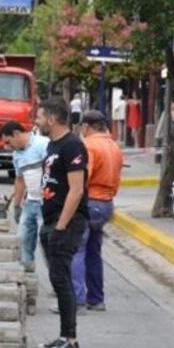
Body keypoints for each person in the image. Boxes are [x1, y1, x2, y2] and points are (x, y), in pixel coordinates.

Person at [34, 98, 89, 348]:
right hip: (51, 220)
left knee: (62, 278)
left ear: (52, 119)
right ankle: (63, 335)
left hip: (66, 222)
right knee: (57, 279)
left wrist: (61, 227)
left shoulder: (72, 145)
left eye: (39, 117)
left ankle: (70, 338)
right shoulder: (53, 145)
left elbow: (76, 190)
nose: (37, 121)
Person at [70, 110, 124, 311]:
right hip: (106, 203)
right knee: (94, 252)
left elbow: (84, 178)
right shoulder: (114, 146)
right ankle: (96, 298)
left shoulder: (88, 145)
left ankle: (77, 299)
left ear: (86, 126)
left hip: (89, 201)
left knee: (77, 250)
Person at [0, 121, 49, 271]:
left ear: (17, 134)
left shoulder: (43, 145)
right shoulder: (17, 155)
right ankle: (26, 277)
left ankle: (58, 282)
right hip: (30, 203)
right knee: (22, 240)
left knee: (47, 244)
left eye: (8, 142)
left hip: (45, 204)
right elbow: (20, 179)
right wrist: (16, 205)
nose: (7, 147)